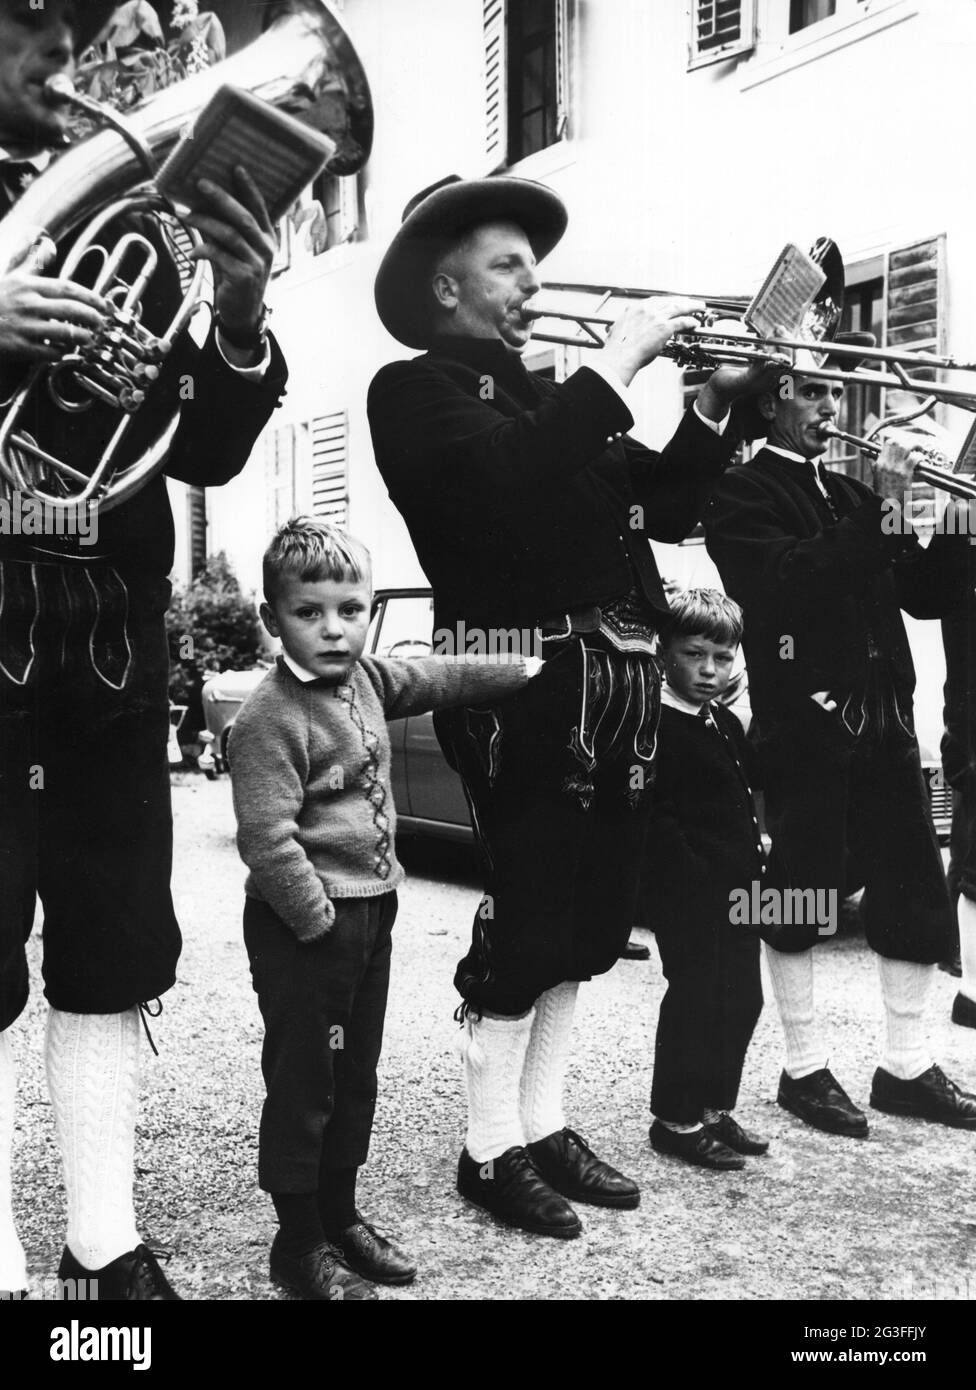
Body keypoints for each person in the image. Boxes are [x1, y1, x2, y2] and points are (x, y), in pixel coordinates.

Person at [367, 174, 770, 1238]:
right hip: (525, 683)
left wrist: (716, 402)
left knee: (588, 924)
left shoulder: (549, 400)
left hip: (617, 685)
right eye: (509, 266)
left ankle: (541, 1122)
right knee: (533, 916)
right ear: (444, 286)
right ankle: (487, 1147)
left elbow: (661, 501)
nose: (532, 284)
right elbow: (507, 486)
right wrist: (621, 357)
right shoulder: (411, 392)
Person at [0, 1, 287, 1300]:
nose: (58, 59)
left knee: (114, 939)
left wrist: (234, 319)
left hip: (109, 631)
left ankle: (101, 1242)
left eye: (68, 30)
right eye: (25, 27)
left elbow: (209, 443)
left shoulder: (138, 212)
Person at [230, 517, 540, 1300]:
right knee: (306, 1084)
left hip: (371, 915)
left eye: (350, 609)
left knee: (353, 1074)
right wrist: (315, 920)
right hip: (309, 926)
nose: (334, 628)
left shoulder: (366, 678)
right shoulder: (269, 715)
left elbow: (442, 677)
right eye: (310, 612)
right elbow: (266, 839)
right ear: (274, 619)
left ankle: (340, 1218)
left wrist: (534, 668)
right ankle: (297, 1246)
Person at [703, 366, 976, 1139]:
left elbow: (929, 595)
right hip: (806, 729)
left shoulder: (854, 495)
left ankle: (907, 1067)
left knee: (914, 892)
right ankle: (803, 1068)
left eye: (832, 393)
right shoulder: (743, 493)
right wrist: (885, 508)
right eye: (814, 394)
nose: (832, 407)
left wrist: (953, 516)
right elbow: (794, 582)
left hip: (885, 726)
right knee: (799, 895)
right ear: (770, 401)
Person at [644, 589, 767, 1171]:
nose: (710, 670)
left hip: (740, 892)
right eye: (696, 655)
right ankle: (675, 1118)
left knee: (742, 997)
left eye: (724, 657)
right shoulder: (655, 724)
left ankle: (715, 1106)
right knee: (696, 997)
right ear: (665, 650)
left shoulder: (721, 721)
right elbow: (659, 820)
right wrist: (693, 882)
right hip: (691, 893)